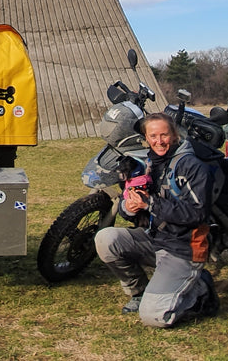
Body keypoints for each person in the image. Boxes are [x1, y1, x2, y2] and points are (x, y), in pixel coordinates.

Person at [94, 112, 221, 328]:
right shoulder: (150, 163)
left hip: (183, 249)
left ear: (174, 135)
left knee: (154, 316)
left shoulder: (191, 166)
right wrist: (130, 207)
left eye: (164, 135)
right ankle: (139, 292)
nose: (159, 141)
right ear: (146, 137)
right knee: (106, 239)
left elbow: (197, 213)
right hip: (156, 239)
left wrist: (150, 204)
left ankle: (201, 291)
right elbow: (133, 211)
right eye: (153, 136)